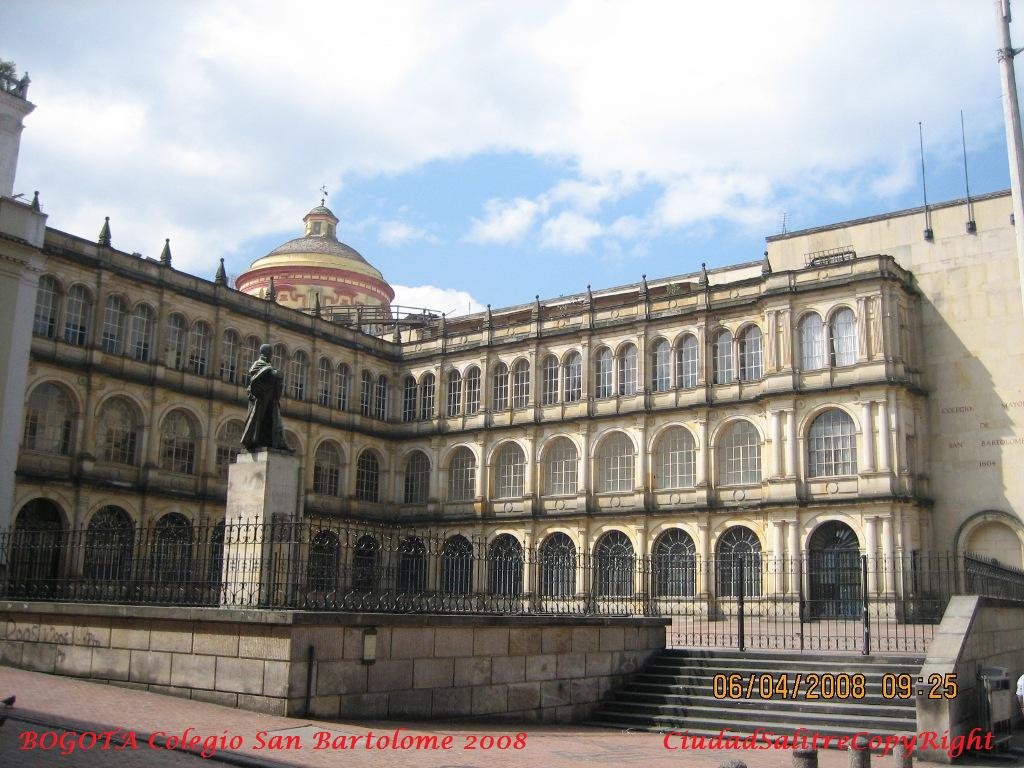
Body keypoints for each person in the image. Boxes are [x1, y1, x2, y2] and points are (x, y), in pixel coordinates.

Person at [240, 344, 292, 452]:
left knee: (273, 421)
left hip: (270, 398)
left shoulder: (267, 365)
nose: (271, 355)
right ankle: (254, 441)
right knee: (259, 420)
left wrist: (275, 374)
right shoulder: (258, 364)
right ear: (266, 353)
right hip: (261, 398)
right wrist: (272, 372)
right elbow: (255, 374)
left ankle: (273, 442)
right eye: (270, 353)